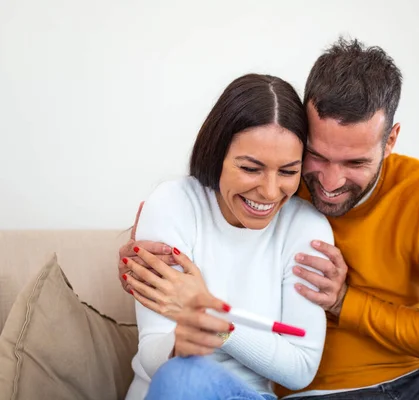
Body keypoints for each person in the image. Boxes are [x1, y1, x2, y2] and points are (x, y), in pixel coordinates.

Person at [120, 39, 419, 399]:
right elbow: (228, 191)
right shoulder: (287, 187)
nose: (327, 181)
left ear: (390, 140)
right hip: (322, 393)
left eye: (354, 164)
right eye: (316, 156)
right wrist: (140, 240)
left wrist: (345, 302)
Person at [122, 73, 334, 400]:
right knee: (184, 376)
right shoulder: (172, 205)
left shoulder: (306, 228)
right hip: (164, 391)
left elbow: (301, 368)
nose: (269, 191)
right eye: (250, 168)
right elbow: (153, 355)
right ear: (217, 152)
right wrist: (180, 343)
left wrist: (218, 325)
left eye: (288, 171)